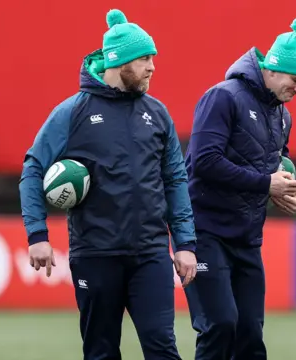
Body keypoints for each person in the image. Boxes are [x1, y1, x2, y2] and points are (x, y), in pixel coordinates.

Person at [19, 9, 197, 360]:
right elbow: (33, 168)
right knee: (100, 351)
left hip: (150, 254)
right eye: (145, 59)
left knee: (163, 347)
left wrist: (186, 243)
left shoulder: (158, 114)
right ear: (119, 62)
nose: (152, 67)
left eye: (153, 59)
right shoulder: (72, 112)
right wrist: (37, 236)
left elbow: (176, 180)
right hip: (95, 254)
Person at [181, 15, 296, 360]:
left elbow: (279, 166)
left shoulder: (281, 114)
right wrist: (266, 184)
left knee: (250, 337)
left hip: (247, 238)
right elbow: (203, 163)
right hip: (204, 232)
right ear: (272, 69)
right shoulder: (222, 97)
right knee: (220, 325)